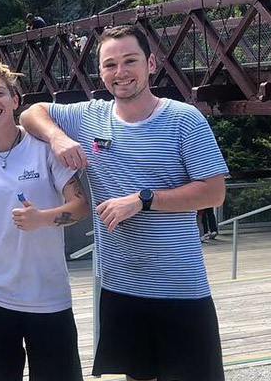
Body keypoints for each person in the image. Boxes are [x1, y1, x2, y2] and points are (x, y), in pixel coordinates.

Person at [20, 25, 228, 381]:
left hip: (179, 288)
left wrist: (143, 200)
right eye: (110, 64)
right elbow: (30, 112)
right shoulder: (89, 116)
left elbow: (214, 191)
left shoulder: (183, 119)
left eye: (129, 61)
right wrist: (56, 138)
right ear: (100, 72)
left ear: (150, 63)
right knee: (136, 376)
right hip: (121, 286)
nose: (121, 73)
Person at [0, 55, 88, 381]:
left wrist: (42, 218)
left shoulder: (44, 149)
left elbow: (81, 204)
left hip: (49, 299)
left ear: (15, 100)